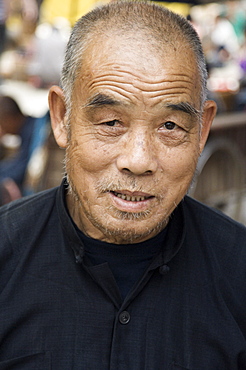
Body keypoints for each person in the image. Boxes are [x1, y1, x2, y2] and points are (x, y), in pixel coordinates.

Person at [0, 1, 245, 368]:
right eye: (111, 122)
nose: (139, 160)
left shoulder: (238, 269)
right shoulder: (6, 253)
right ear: (62, 117)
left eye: (170, 126)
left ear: (202, 130)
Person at [0, 95, 35, 205]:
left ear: (9, 119)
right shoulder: (28, 128)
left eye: (1, 123)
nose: (2, 129)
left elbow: (21, 168)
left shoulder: (33, 131)